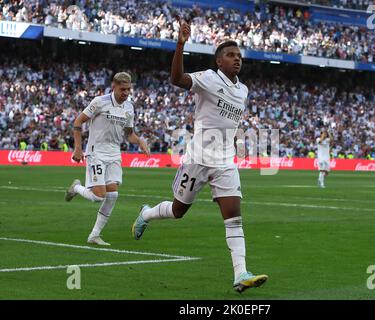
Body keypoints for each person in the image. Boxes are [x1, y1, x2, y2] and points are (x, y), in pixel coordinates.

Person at [131, 20, 268, 293]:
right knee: (178, 210)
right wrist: (181, 44)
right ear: (219, 61)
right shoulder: (208, 78)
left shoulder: (243, 90)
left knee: (234, 218)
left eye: (239, 56)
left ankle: (240, 273)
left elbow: (230, 123)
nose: (236, 59)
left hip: (225, 161)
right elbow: (176, 79)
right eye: (230, 55)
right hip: (197, 158)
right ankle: (146, 213)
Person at [65, 72, 150, 246]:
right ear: (114, 86)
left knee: (112, 195)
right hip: (96, 153)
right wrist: (78, 148)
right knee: (98, 196)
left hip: (114, 154)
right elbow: (78, 122)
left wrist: (139, 141)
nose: (126, 93)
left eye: (128, 89)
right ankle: (76, 188)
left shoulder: (129, 108)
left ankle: (94, 235)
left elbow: (129, 134)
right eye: (122, 89)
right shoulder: (99, 102)